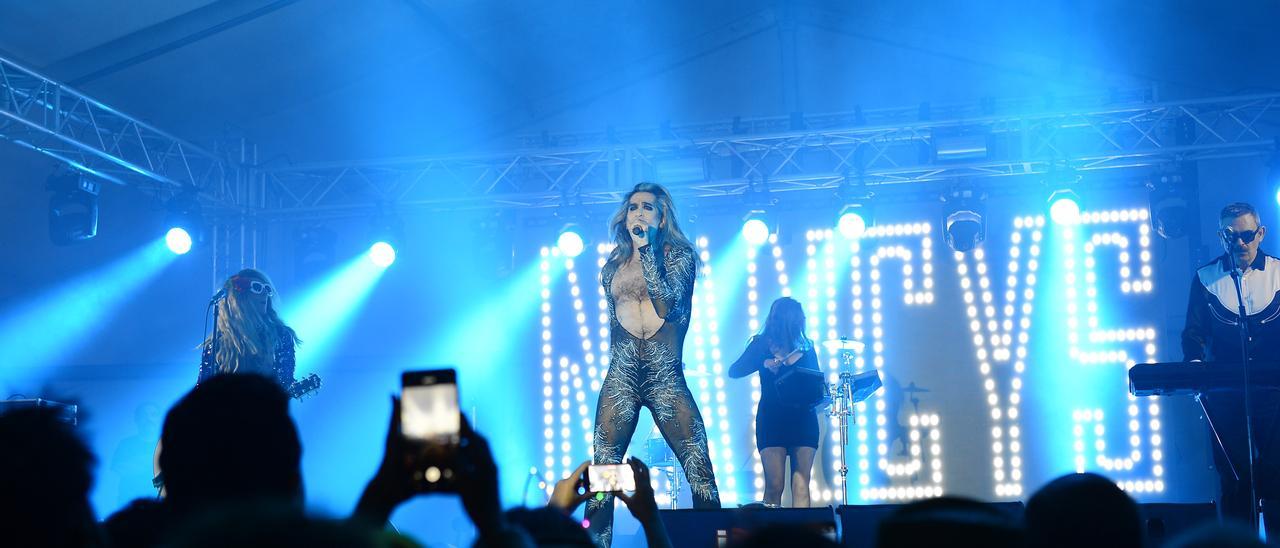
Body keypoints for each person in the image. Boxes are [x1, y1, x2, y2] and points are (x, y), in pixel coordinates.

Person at [587, 182, 720, 546]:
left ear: (661, 218)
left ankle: (711, 541)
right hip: (623, 375)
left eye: (647, 207)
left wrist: (647, 251)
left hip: (665, 376)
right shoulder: (613, 265)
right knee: (603, 474)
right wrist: (635, 252)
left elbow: (666, 308)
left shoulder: (679, 257)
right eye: (632, 208)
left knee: (699, 469)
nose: (638, 213)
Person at [1181, 202, 1280, 535]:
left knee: (1278, 473)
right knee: (1234, 477)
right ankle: (1239, 541)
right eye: (1230, 236)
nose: (1240, 243)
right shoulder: (1206, 278)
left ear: (1260, 234)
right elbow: (1193, 335)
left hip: (1276, 394)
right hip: (1225, 397)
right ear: (1221, 236)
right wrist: (1195, 372)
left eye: (1247, 235)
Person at [728, 297, 820, 507]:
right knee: (774, 485)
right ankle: (769, 537)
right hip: (773, 420)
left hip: (803, 421)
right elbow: (734, 371)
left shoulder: (806, 347)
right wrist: (763, 362)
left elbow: (816, 382)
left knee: (801, 483)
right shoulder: (761, 344)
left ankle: (802, 537)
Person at [198, 268, 308, 396]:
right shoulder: (218, 341)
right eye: (257, 288)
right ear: (240, 297)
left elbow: (285, 382)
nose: (265, 294)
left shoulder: (281, 335)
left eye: (267, 289)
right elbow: (202, 389)